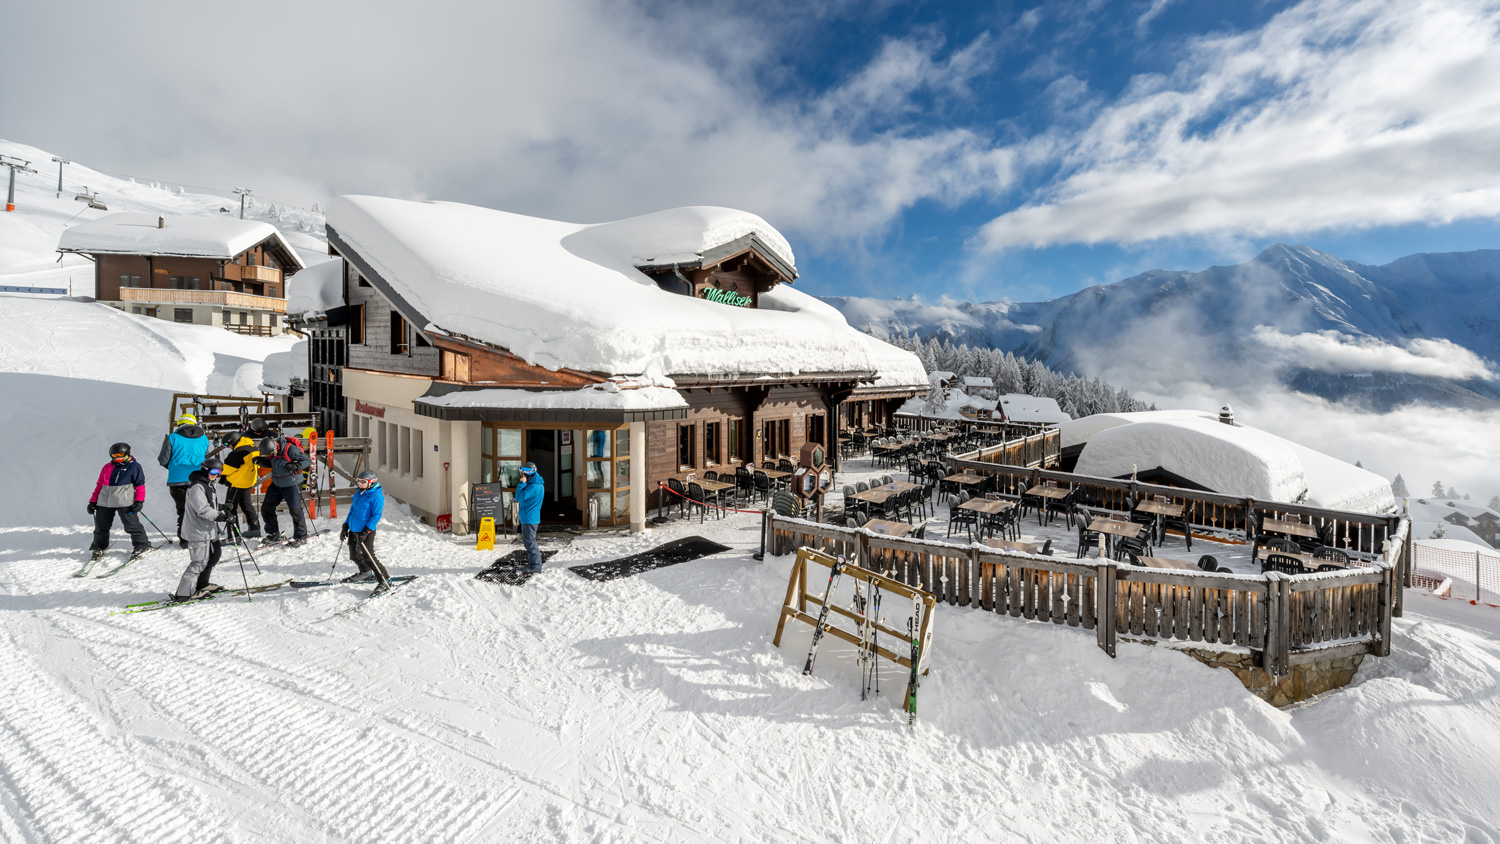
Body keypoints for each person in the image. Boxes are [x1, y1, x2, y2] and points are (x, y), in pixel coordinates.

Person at [171, 457, 227, 602]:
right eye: (214, 471)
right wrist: (219, 516)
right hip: (198, 530)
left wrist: (222, 508)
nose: (216, 475)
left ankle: (202, 584)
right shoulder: (197, 486)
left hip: (209, 529)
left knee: (214, 556)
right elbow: (201, 509)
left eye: (219, 472)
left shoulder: (208, 484)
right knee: (199, 562)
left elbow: (209, 503)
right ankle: (184, 593)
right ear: (205, 470)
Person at [157, 413, 210, 548]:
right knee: (199, 508)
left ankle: (185, 540)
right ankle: (200, 537)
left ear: (179, 424)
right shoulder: (203, 438)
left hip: (177, 480)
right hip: (198, 479)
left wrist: (174, 467)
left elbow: (163, 460)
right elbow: (206, 457)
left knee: (183, 510)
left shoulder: (172, 438)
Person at [88, 442, 149, 559]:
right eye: (114, 455)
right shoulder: (107, 467)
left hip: (125, 502)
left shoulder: (134, 466)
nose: (117, 458)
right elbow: (99, 485)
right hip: (104, 502)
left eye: (120, 455)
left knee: (132, 525)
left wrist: (139, 501)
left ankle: (141, 545)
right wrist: (93, 501)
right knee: (101, 526)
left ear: (127, 453)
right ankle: (99, 546)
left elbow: (140, 485)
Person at [340, 470, 392, 594]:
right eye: (358, 481)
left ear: (371, 483)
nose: (359, 483)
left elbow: (376, 515)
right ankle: (365, 572)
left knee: (369, 557)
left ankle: (385, 580)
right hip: (354, 529)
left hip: (366, 531)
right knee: (354, 555)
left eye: (363, 482)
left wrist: (366, 530)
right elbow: (352, 511)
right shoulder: (358, 494)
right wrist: (345, 526)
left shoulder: (376, 496)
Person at [256, 434, 311, 546]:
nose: (272, 455)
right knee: (267, 508)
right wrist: (260, 461)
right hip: (276, 484)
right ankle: (273, 533)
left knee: (295, 510)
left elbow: (307, 461)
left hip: (292, 483)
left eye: (272, 453)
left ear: (275, 446)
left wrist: (296, 465)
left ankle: (301, 536)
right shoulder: (271, 450)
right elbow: (273, 463)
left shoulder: (290, 449)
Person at [220, 435, 263, 538]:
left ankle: (234, 535)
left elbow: (227, 469)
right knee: (246, 505)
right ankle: (254, 529)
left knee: (229, 508)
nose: (228, 447)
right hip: (248, 481)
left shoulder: (237, 452)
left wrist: (217, 470)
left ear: (233, 441)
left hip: (237, 483)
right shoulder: (254, 448)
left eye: (228, 444)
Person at [515, 461, 545, 572]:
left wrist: (521, 484)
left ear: (527, 474)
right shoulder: (536, 484)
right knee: (529, 542)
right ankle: (533, 564)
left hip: (529, 518)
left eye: (523, 473)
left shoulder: (533, 487)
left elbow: (518, 497)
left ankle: (535, 566)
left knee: (530, 543)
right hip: (530, 517)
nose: (522, 475)